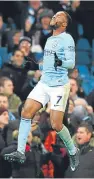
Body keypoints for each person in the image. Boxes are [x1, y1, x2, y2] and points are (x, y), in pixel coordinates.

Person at [4, 11, 79, 171]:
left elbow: (71, 63)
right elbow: (49, 64)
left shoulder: (67, 38)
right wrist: (36, 66)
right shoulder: (50, 40)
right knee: (26, 112)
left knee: (56, 124)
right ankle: (20, 151)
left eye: (59, 16)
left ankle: (73, 151)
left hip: (59, 85)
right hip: (45, 82)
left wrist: (61, 62)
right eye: (54, 15)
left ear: (64, 23)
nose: (54, 17)